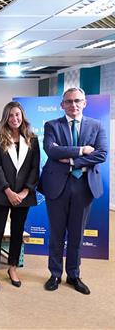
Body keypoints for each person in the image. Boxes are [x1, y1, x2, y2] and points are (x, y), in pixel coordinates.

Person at [39, 87, 107, 295]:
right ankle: (55, 274)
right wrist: (82, 150)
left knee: (77, 234)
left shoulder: (97, 126)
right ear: (62, 105)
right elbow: (51, 150)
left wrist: (69, 159)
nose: (73, 105)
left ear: (84, 103)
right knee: (57, 233)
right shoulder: (52, 125)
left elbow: (101, 154)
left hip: (84, 186)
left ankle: (74, 274)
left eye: (77, 101)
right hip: (57, 185)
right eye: (69, 101)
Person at [0, 102, 40, 292]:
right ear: (5, 118)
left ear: (22, 116)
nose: (14, 119)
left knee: (18, 232)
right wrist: (8, 191)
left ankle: (12, 267)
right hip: (2, 194)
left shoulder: (32, 140)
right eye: (10, 116)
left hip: (23, 195)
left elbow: (34, 168)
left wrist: (25, 192)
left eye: (17, 115)